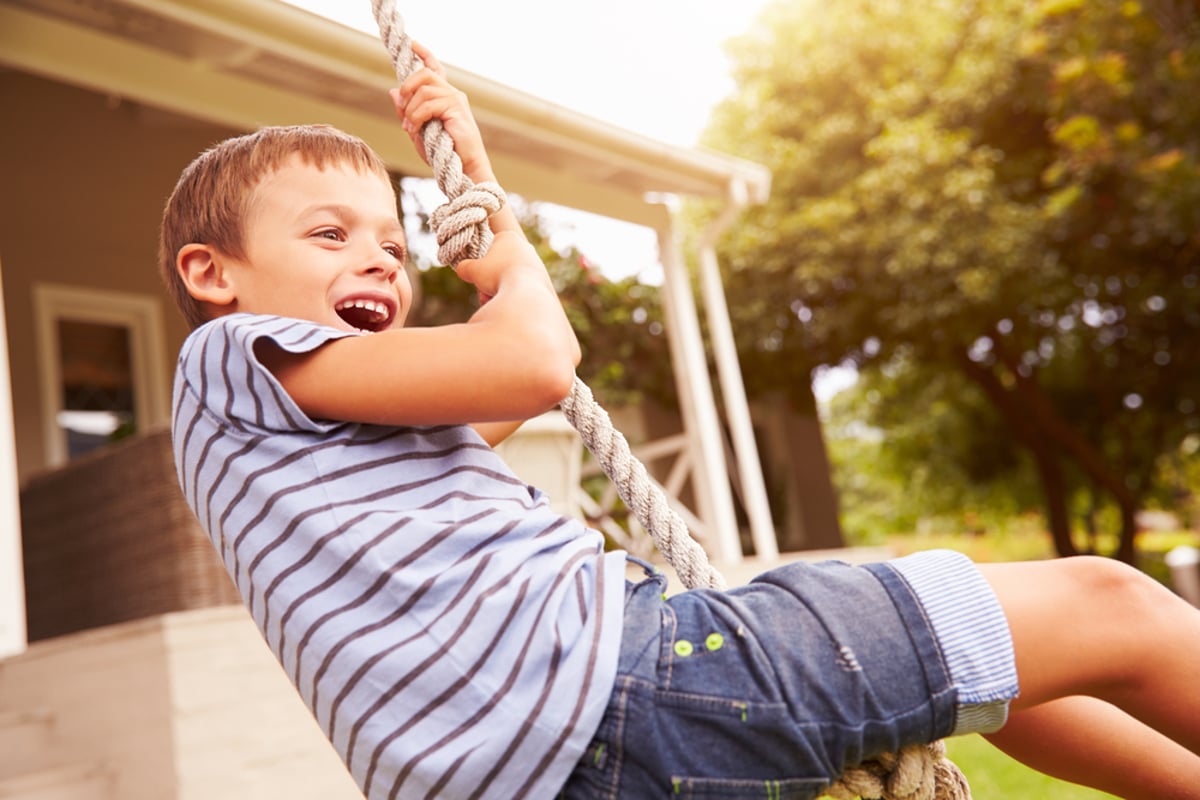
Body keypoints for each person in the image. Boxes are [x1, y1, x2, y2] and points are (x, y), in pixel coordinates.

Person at [161, 42, 1200, 800]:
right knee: (1112, 602)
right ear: (212, 274)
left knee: (991, 671)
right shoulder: (230, 357)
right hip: (617, 693)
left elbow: (511, 390)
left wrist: (478, 185)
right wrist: (510, 252)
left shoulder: (322, 450)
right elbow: (534, 356)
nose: (383, 257)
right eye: (330, 232)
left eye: (394, 239)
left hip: (550, 767)